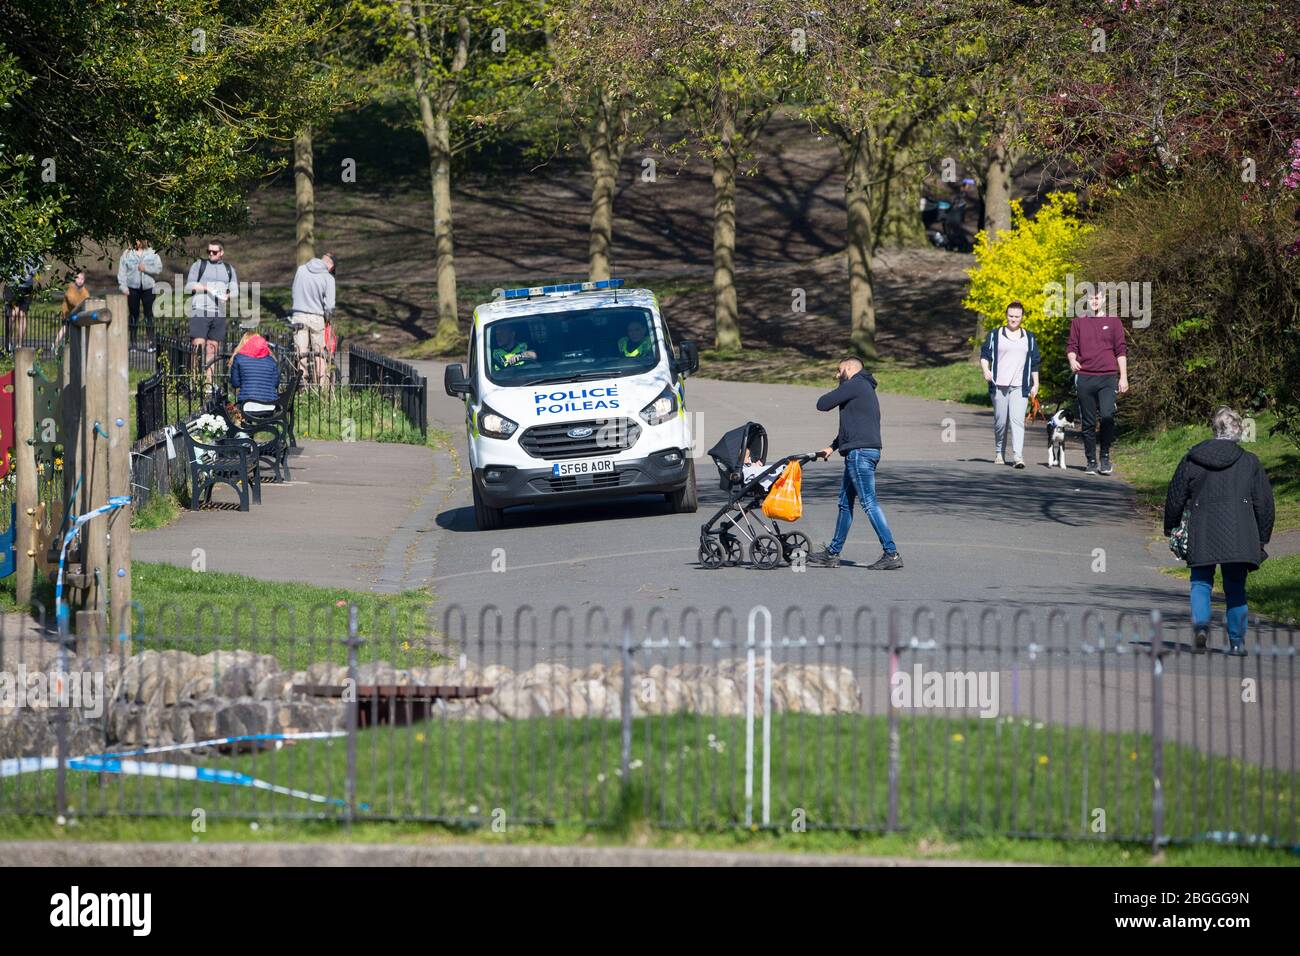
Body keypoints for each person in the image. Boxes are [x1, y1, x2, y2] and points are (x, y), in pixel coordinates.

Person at [1163, 406, 1274, 655]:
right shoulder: (1250, 462)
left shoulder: (1193, 458)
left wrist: (1170, 525)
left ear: (1215, 430)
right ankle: (1237, 642)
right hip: (1240, 533)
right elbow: (1264, 503)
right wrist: (1262, 537)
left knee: (1200, 582)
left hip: (1202, 529)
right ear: (1239, 432)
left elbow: (1176, 494)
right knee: (1235, 586)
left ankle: (1201, 628)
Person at [807, 357, 903, 570]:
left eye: (839, 370)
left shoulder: (856, 384)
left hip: (859, 454)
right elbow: (853, 424)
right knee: (845, 503)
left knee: (868, 502)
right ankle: (832, 553)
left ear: (849, 368)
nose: (837, 375)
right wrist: (832, 447)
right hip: (860, 451)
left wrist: (842, 383)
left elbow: (822, 404)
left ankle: (891, 553)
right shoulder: (863, 388)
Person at [1067, 287, 1128, 475]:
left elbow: (1121, 351)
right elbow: (1071, 346)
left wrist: (1123, 376)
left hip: (1108, 377)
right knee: (1088, 422)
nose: (1094, 301)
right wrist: (1072, 360)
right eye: (1091, 298)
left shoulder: (1114, 322)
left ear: (1103, 299)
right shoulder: (1078, 322)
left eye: (1097, 297)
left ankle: (1105, 456)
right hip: (1085, 377)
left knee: (1108, 417)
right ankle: (1091, 460)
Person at [980, 300, 1041, 468]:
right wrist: (986, 370)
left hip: (1020, 385)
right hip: (999, 384)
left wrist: (1035, 383)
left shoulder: (1029, 337)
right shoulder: (995, 334)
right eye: (1011, 316)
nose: (1014, 319)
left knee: (1017, 420)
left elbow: (1034, 362)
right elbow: (985, 354)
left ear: (1022, 317)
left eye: (1017, 316)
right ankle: (999, 452)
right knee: (1000, 421)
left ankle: (1018, 456)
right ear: (1006, 316)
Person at [185, 241, 238, 383]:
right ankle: (194, 381)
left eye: (214, 252)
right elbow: (189, 285)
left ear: (221, 253)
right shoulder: (199, 265)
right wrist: (206, 288)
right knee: (198, 347)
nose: (211, 254)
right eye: (209, 251)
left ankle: (209, 383)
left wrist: (228, 295)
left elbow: (235, 290)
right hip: (200, 310)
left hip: (219, 313)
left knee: (212, 349)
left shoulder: (229, 269)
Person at [289, 252, 335, 385]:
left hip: (298, 316)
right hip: (317, 317)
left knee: (301, 353)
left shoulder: (301, 270)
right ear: (330, 265)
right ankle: (322, 388)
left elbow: (294, 291)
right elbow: (330, 306)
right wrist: (327, 319)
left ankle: (301, 387)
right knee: (319, 354)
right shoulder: (328, 278)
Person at [117, 239, 163, 351]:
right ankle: (133, 343)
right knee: (133, 315)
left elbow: (159, 269)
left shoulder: (152, 252)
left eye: (138, 239)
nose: (136, 241)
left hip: (149, 288)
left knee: (149, 315)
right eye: (135, 239)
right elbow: (122, 271)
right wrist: (123, 287)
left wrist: (146, 268)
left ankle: (151, 342)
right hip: (132, 288)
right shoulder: (127, 253)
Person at [229, 328, 280, 407]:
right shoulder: (271, 360)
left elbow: (235, 383)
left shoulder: (239, 358)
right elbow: (275, 384)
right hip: (270, 405)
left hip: (246, 405)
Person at [4, 255, 40, 351]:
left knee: (22, 315)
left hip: (26, 286)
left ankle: (19, 345)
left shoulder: (34, 246)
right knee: (13, 314)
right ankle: (8, 343)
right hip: (12, 285)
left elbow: (38, 260)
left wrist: (30, 274)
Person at [53, 269, 90, 351]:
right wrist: (80, 304)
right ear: (74, 279)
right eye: (78, 278)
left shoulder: (84, 291)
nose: (80, 281)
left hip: (77, 314)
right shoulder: (71, 288)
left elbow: (87, 298)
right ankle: (55, 345)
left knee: (73, 331)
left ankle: (67, 347)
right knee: (65, 329)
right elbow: (71, 299)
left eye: (82, 279)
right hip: (67, 314)